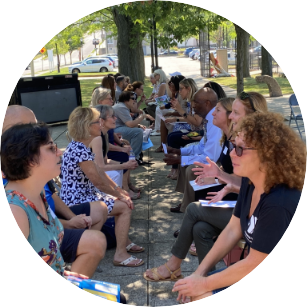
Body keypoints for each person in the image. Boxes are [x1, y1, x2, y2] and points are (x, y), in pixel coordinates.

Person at [171, 112, 306, 302]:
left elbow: (256, 263)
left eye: (241, 149)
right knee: (197, 291)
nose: (232, 153)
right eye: (234, 146)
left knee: (201, 295)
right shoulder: (251, 183)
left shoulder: (279, 203)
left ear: (267, 155)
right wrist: (199, 274)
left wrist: (204, 285)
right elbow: (232, 230)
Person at [2, 105, 107, 278]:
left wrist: (66, 275)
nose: (59, 152)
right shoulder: (15, 211)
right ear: (28, 156)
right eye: (51, 148)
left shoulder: (37, 192)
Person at [143, 97, 237, 282]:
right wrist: (217, 176)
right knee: (200, 229)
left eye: (218, 110)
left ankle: (172, 266)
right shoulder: (229, 139)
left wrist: (220, 178)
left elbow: (250, 184)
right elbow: (226, 169)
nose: (213, 114)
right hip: (233, 199)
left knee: (194, 209)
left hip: (244, 209)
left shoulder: (241, 143)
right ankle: (206, 279)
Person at [60, 106, 144, 267]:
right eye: (97, 121)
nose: (101, 124)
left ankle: (123, 243)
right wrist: (120, 196)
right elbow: (97, 181)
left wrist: (119, 191)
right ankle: (120, 254)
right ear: (86, 126)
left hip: (84, 196)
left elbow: (100, 173)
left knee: (122, 202)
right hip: (77, 200)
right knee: (125, 207)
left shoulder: (80, 146)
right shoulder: (79, 149)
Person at [163, 88, 223, 213]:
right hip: (213, 158)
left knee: (192, 168)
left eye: (196, 102)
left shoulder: (214, 121)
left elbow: (210, 157)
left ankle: (189, 208)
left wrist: (181, 159)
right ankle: (186, 201)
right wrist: (179, 152)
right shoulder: (209, 119)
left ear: (207, 103)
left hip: (220, 163)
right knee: (185, 162)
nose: (193, 106)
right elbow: (202, 146)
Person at [91, 104, 140, 200]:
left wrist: (125, 164)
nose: (115, 118)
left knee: (119, 167)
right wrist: (125, 165)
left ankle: (117, 196)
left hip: (93, 172)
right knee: (116, 173)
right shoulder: (97, 137)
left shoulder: (103, 135)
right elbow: (100, 167)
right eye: (112, 116)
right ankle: (116, 197)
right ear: (102, 120)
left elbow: (105, 161)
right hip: (85, 178)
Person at [164, 78, 202, 179]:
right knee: (171, 136)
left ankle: (175, 170)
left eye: (181, 89)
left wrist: (180, 111)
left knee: (173, 138)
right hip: (193, 130)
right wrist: (177, 117)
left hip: (198, 133)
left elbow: (197, 122)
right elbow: (189, 119)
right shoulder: (191, 101)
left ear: (188, 88)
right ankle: (174, 168)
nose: (179, 92)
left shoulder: (196, 102)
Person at [113, 91, 152, 166]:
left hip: (118, 128)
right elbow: (130, 124)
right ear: (125, 100)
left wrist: (139, 125)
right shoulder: (122, 107)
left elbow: (128, 123)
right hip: (115, 131)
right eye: (133, 98)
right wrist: (142, 117)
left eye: (135, 98)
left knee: (140, 130)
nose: (135, 100)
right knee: (137, 132)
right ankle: (133, 157)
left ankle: (135, 156)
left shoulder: (123, 107)